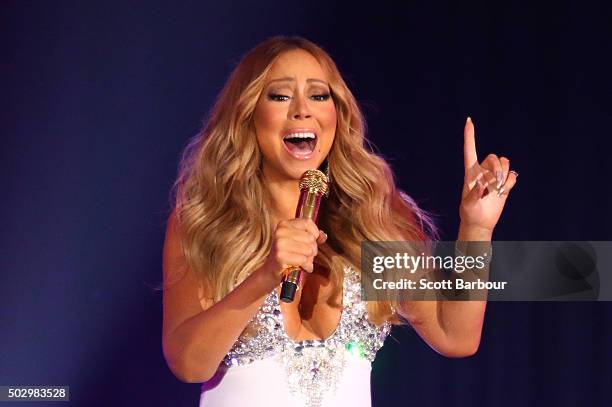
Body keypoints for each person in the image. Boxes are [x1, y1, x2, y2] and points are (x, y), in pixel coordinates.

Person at [161, 36, 517, 407]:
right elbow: (189, 365)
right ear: (249, 113)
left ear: (337, 114)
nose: (302, 110)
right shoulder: (205, 221)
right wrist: (265, 276)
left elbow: (455, 335)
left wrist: (477, 228)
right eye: (280, 96)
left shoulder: (374, 220)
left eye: (318, 96)